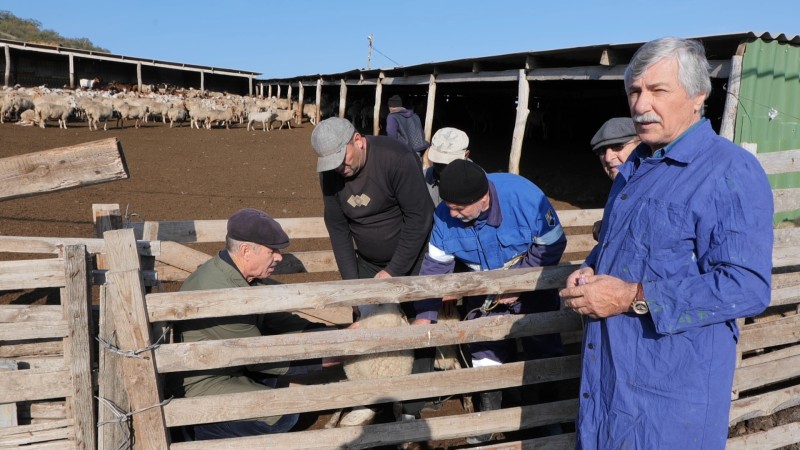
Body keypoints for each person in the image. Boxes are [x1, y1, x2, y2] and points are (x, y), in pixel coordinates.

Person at [559, 37, 773, 449]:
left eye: (658, 90)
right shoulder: (636, 165)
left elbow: (747, 286)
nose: (641, 105)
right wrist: (590, 268)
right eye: (634, 91)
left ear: (698, 96)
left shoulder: (729, 171)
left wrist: (631, 297)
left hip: (670, 400)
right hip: (609, 384)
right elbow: (628, 243)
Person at [413, 159, 567, 444]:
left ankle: (547, 415)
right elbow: (435, 268)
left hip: (532, 284)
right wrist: (425, 314)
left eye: (459, 208)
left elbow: (553, 243)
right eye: (449, 206)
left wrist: (519, 284)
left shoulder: (525, 197)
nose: (452, 213)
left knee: (543, 345)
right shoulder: (445, 216)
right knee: (484, 349)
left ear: (483, 199)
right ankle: (489, 416)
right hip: (483, 292)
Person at [310, 117, 435, 425]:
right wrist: (353, 287)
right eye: (331, 164)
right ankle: (373, 396)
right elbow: (338, 229)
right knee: (367, 326)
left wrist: (394, 271)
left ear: (358, 140)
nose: (339, 168)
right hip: (367, 261)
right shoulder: (332, 173)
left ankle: (411, 406)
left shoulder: (397, 158)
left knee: (416, 327)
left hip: (411, 258)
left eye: (342, 158)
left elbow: (419, 217)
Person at [174, 208, 320, 440]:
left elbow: (279, 319)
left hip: (228, 366)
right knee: (284, 415)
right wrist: (332, 356)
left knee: (272, 379)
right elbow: (260, 357)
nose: (279, 257)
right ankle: (188, 431)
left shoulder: (242, 278)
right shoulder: (220, 293)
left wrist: (332, 334)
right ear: (246, 251)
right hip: (203, 381)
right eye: (272, 251)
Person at [588, 117, 640, 239]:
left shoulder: (656, 186)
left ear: (641, 145)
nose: (607, 158)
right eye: (602, 151)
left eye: (618, 146)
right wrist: (606, 225)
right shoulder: (619, 185)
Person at [424, 127, 471, 206]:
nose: (443, 168)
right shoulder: (423, 178)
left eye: (449, 163)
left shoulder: (480, 181)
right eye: (438, 161)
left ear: (466, 155)